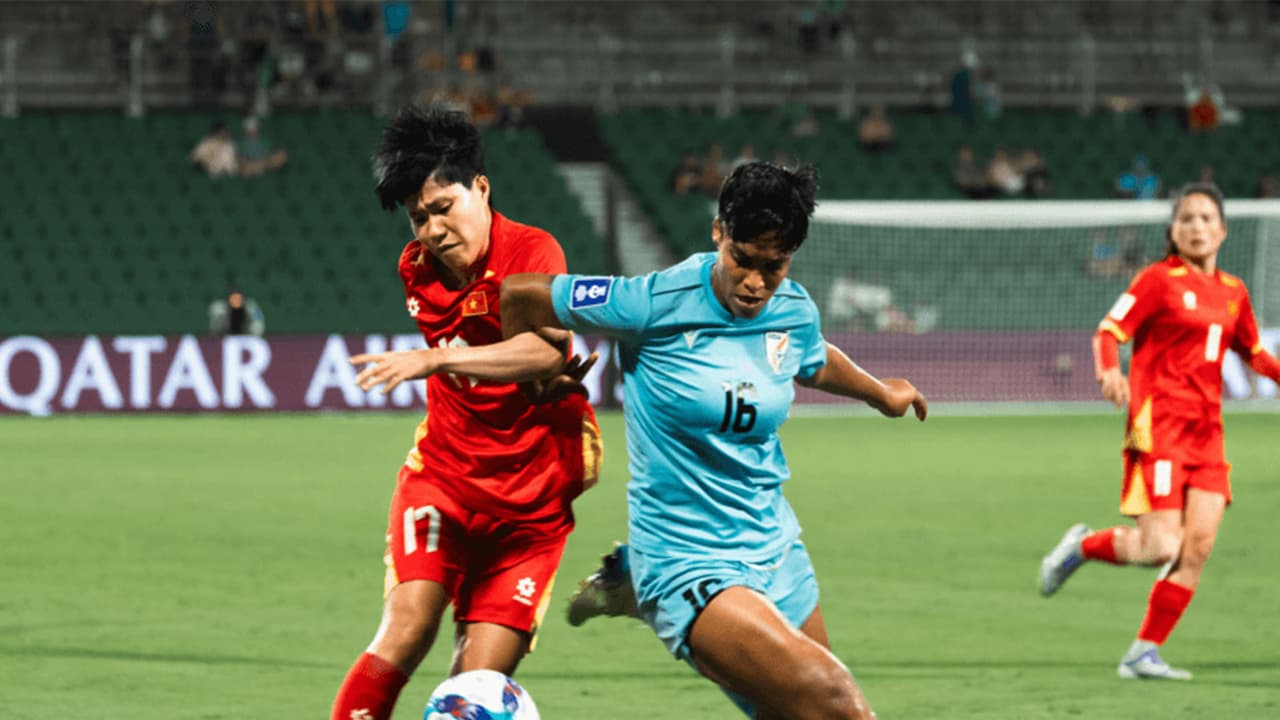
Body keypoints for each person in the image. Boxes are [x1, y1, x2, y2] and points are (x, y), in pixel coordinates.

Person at [500, 161, 929, 718]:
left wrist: (879, 393)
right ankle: (646, 585)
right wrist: (536, 376)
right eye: (742, 260)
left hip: (774, 547)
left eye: (772, 267)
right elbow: (519, 294)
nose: (755, 283)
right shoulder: (651, 301)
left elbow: (814, 361)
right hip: (686, 558)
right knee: (836, 704)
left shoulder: (793, 310)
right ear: (718, 233)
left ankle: (625, 586)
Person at [329, 104, 603, 720]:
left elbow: (541, 350)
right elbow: (532, 361)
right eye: (417, 217)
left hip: (530, 508)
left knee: (472, 691)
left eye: (442, 207)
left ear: (481, 187)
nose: (430, 229)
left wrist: (435, 363)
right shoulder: (417, 271)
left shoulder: (533, 251)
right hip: (444, 482)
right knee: (404, 630)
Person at [1039, 182, 1280, 680]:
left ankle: (1142, 654)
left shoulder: (1233, 292)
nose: (1197, 227)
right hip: (1156, 428)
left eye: (1206, 218)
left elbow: (1252, 351)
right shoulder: (1157, 280)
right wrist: (1109, 371)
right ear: (1173, 230)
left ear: (1223, 230)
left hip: (1207, 435)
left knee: (1198, 548)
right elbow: (1109, 331)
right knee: (1161, 549)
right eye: (1187, 219)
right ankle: (1082, 546)